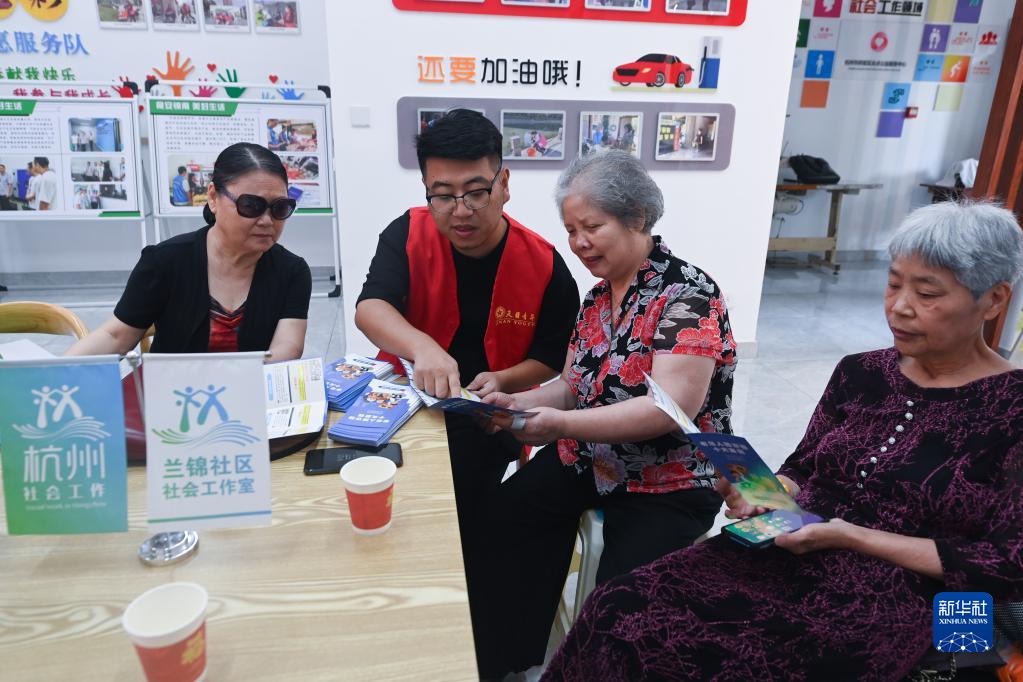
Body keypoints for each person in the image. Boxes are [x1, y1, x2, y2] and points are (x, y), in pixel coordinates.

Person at [544, 200, 1023, 681]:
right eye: (894, 283)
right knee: (619, 607)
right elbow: (803, 467)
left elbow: (1006, 565)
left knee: (727, 663)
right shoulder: (861, 373)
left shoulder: (1013, 408)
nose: (899, 306)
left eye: (927, 293)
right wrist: (764, 491)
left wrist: (850, 536)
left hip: (908, 597)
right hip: (791, 548)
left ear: (994, 299)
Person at [473, 150, 736, 677]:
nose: (578, 243)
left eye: (592, 227)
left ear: (636, 217)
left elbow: (669, 409)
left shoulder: (688, 296)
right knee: (499, 524)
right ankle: (505, 657)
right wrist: (517, 403)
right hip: (590, 459)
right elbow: (572, 387)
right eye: (571, 230)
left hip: (669, 479)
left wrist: (559, 426)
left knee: (623, 604)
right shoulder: (596, 299)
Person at [353, 108, 579, 662]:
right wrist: (424, 348)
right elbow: (370, 308)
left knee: (461, 511)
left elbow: (551, 358)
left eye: (476, 191)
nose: (461, 210)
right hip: (402, 405)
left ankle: (459, 636)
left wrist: (503, 378)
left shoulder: (544, 265)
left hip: (484, 418)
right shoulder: (407, 233)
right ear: (426, 191)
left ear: (504, 183)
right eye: (443, 194)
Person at [67, 143, 310, 358]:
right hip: (175, 392)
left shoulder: (292, 271)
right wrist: (55, 371)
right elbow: (116, 336)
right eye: (251, 205)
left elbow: (287, 348)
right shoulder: (164, 262)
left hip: (255, 391)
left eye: (280, 208)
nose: (267, 221)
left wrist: (236, 380)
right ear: (213, 197)